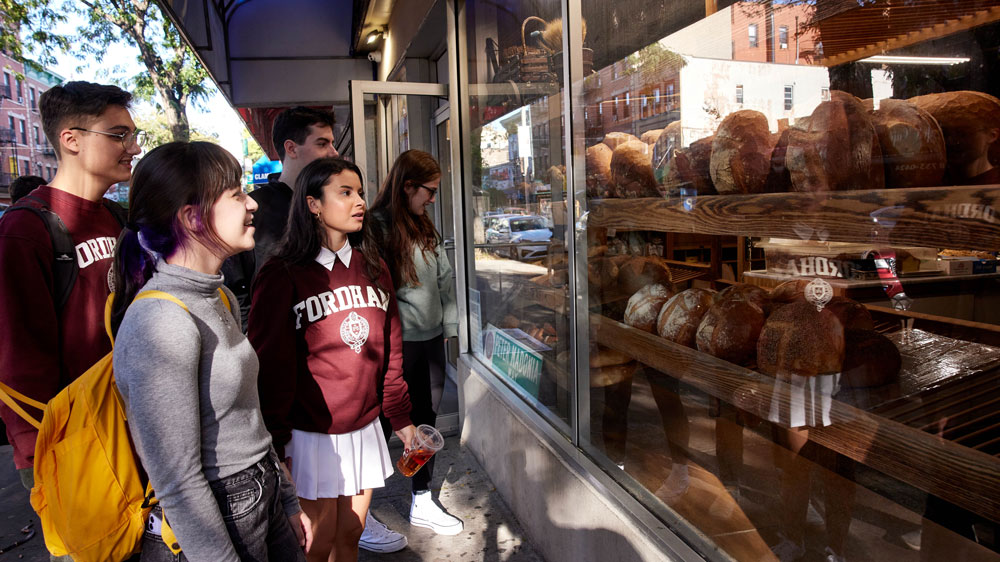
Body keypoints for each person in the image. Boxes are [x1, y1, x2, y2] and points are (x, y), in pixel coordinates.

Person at [111, 141, 311, 561]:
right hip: (224, 511)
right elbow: (178, 479)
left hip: (262, 492)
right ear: (192, 216)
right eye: (237, 194)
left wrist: (287, 502)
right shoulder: (160, 322)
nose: (252, 203)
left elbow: (248, 417)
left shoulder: (215, 296)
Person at [249, 157, 416, 562]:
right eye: (345, 193)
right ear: (313, 204)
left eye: (359, 191)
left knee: (350, 535)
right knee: (315, 544)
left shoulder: (374, 266)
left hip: (363, 426)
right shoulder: (282, 272)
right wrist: (275, 442)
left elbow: (391, 349)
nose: (359, 201)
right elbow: (269, 367)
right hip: (307, 436)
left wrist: (402, 417)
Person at [0, 82, 139, 499]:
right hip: (72, 446)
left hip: (131, 430)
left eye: (133, 135)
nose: (132, 147)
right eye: (119, 135)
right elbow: (18, 363)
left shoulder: (119, 219)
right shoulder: (24, 230)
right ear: (71, 140)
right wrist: (47, 451)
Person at [369, 149, 463, 536]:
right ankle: (359, 511)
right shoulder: (376, 226)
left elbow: (444, 277)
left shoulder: (425, 223)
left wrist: (451, 324)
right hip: (393, 345)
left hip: (429, 341)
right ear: (407, 186)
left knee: (427, 422)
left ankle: (421, 500)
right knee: (376, 424)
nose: (433, 198)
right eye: (429, 190)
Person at [223, 106, 338, 327]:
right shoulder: (253, 209)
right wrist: (255, 339)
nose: (334, 153)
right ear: (291, 149)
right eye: (322, 144)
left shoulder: (335, 205)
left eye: (332, 143)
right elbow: (236, 288)